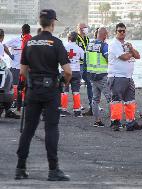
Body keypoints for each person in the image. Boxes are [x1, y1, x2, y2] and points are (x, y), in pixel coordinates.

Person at [15, 9, 72, 181]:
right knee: (51, 128)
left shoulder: (30, 43)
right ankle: (53, 170)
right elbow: (68, 71)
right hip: (50, 90)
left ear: (40, 22)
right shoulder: (56, 43)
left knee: (28, 129)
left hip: (33, 90)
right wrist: (64, 82)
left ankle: (20, 168)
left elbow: (23, 71)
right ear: (53, 23)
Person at [108, 23, 142, 131]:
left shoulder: (127, 44)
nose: (122, 33)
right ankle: (115, 122)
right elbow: (123, 57)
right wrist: (131, 53)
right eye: (120, 31)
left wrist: (131, 49)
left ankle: (130, 122)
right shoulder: (114, 44)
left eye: (123, 31)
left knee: (130, 101)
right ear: (116, 32)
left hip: (128, 77)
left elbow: (138, 56)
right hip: (117, 76)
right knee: (116, 100)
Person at [86, 27, 111, 127]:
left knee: (95, 99)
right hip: (102, 76)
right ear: (104, 35)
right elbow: (109, 59)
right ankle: (114, 121)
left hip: (91, 75)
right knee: (111, 99)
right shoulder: (104, 46)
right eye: (107, 34)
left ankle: (97, 121)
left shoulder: (89, 44)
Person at [3, 25, 31, 115]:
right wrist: (10, 55)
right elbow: (4, 45)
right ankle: (15, 102)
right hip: (15, 66)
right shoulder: (15, 39)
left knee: (23, 86)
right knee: (15, 86)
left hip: (25, 67)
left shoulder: (29, 39)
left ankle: (22, 103)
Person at [60, 32, 84, 117]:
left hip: (65, 71)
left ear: (69, 38)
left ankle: (63, 110)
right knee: (76, 91)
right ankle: (77, 111)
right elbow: (83, 58)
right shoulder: (79, 48)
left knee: (64, 91)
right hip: (76, 71)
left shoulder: (63, 47)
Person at [0, 29, 20, 119]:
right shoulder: (1, 45)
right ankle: (8, 110)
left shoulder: (2, 45)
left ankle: (8, 110)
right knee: (7, 89)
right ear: (2, 37)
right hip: (2, 71)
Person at [76, 23, 93, 116]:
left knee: (90, 84)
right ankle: (78, 105)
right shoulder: (76, 38)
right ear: (81, 29)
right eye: (85, 27)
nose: (87, 29)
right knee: (77, 85)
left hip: (87, 64)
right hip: (78, 65)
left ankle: (92, 105)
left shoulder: (87, 38)